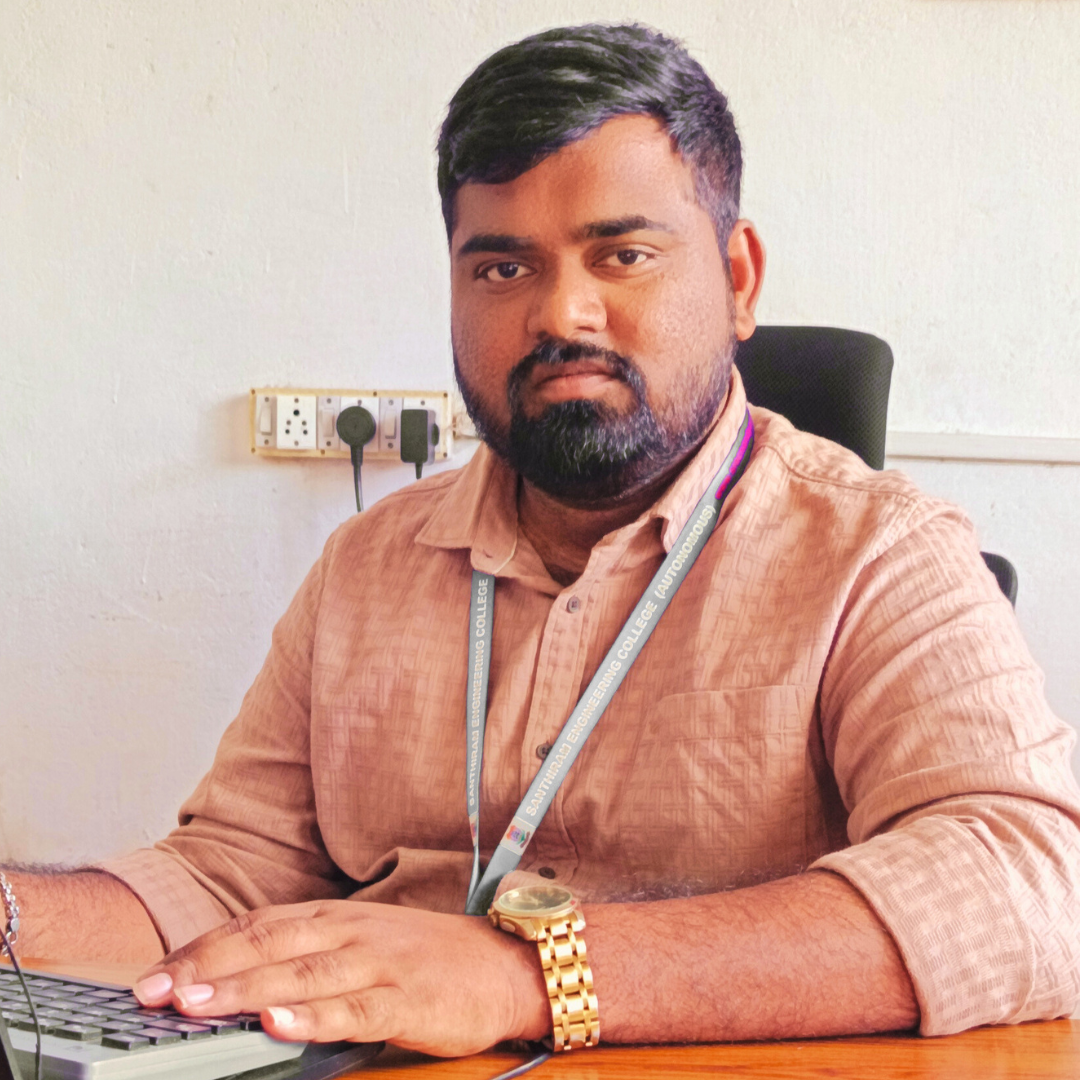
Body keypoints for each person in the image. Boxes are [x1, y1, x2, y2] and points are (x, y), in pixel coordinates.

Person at [4, 23, 1079, 1058]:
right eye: (502, 270)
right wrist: (12, 914)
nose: (563, 315)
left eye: (623, 254)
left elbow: (1029, 884)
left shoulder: (878, 554)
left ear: (739, 278)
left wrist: (524, 974)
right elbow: (231, 876)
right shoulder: (367, 567)